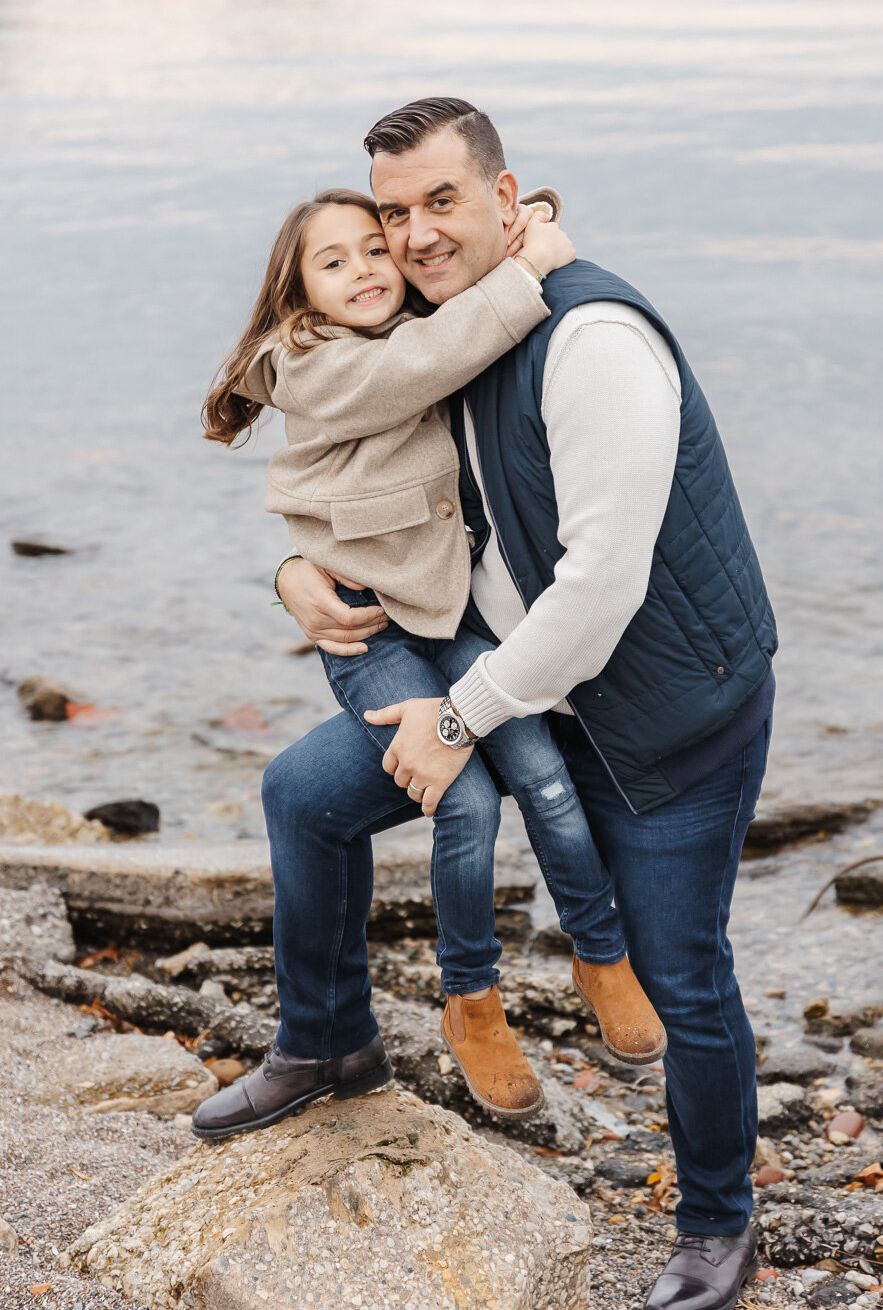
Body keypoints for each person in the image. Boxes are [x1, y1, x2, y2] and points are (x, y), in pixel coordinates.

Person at [201, 96, 777, 1310]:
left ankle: (719, 1219)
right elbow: (354, 476)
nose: (411, 236)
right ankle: (330, 1042)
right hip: (516, 680)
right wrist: (296, 577)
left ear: (509, 199)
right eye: (393, 213)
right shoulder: (429, 327)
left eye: (440, 203)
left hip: (665, 707)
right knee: (304, 797)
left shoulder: (594, 340)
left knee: (682, 971)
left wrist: (455, 718)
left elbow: (602, 586)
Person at [198, 186, 665, 1126]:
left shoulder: (457, 326)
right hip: (388, 624)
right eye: (336, 262)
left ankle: (598, 955)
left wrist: (526, 231)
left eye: (379, 248)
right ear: (298, 298)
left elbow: (456, 279)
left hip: (480, 626)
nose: (372, 267)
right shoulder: (323, 361)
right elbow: (416, 370)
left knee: (530, 782)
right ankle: (384, 1025)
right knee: (447, 797)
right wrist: (293, 570)